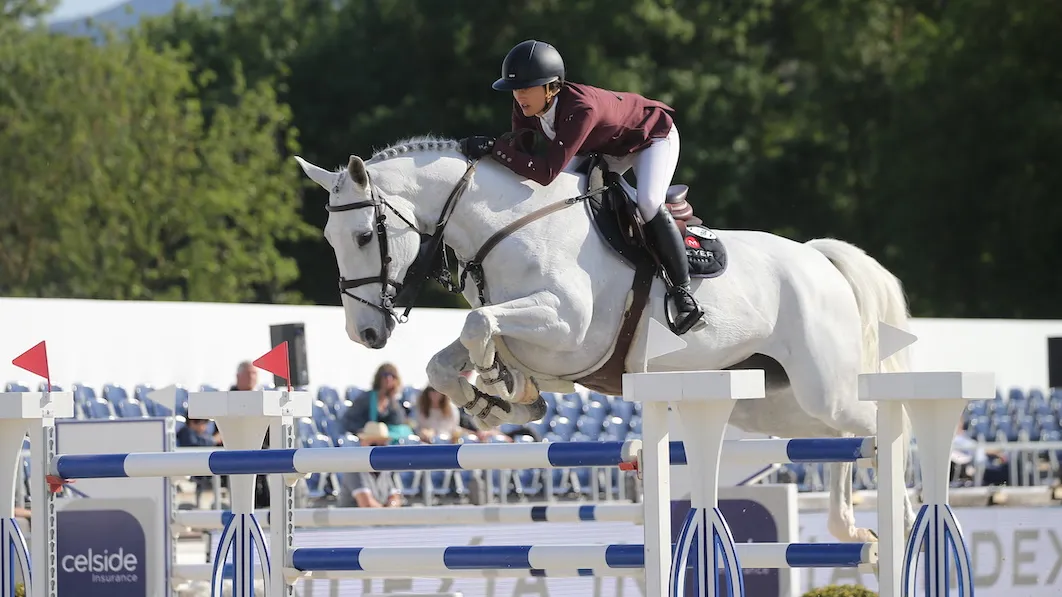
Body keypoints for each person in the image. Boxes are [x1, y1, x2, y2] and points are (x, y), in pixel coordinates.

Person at [459, 39, 704, 334]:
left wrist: (495, 149)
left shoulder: (580, 109)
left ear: (551, 87)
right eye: (515, 88)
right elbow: (521, 159)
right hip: (605, 147)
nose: (519, 95)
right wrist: (493, 154)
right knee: (563, 193)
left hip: (651, 138)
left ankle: (682, 292)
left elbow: (546, 171)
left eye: (526, 88)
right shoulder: (524, 106)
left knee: (649, 202)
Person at [340, 363, 413, 441]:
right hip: (365, 440)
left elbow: (398, 424)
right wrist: (361, 431)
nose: (389, 379)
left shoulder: (393, 403)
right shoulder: (365, 399)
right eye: (385, 375)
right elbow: (349, 421)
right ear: (379, 378)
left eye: (392, 376)